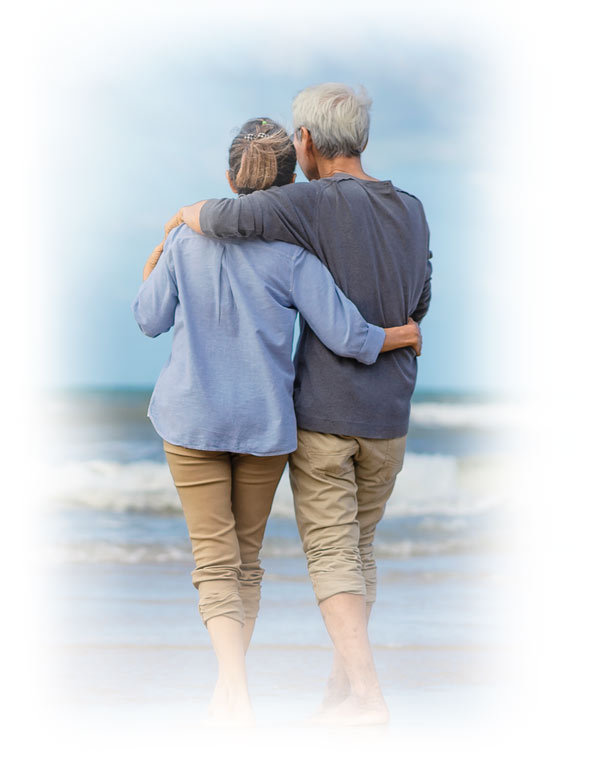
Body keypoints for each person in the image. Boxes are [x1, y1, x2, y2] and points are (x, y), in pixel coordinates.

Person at [149, 84, 433, 726]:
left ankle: (346, 696)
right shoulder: (410, 208)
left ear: (305, 143)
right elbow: (415, 292)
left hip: (306, 416)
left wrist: (178, 221)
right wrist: (402, 331)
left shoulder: (296, 207)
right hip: (383, 413)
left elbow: (224, 225)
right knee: (352, 550)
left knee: (317, 554)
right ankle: (338, 690)